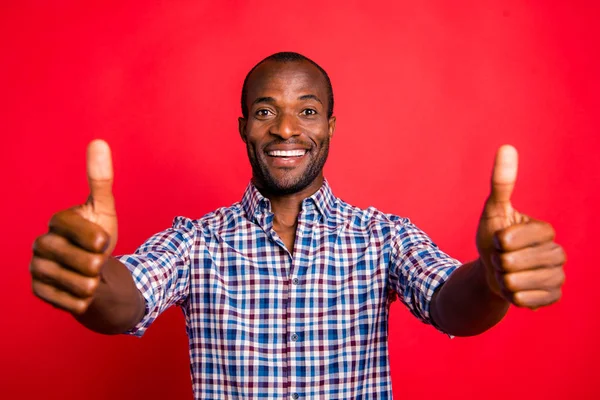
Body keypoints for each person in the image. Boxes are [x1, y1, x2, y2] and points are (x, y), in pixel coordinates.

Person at [30, 52, 566, 399]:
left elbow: (449, 301)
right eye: (265, 112)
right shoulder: (196, 241)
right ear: (243, 128)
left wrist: (493, 281)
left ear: (331, 125)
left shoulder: (382, 236)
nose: (286, 128)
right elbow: (127, 298)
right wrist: (90, 278)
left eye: (307, 112)